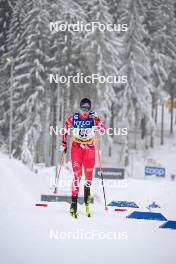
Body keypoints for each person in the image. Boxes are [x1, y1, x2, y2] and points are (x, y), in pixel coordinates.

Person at [61, 98, 105, 218]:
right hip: (76, 149)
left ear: (89, 109)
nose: (85, 111)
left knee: (88, 178)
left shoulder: (93, 119)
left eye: (87, 108)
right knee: (77, 175)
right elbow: (65, 128)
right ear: (80, 108)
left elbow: (102, 131)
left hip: (89, 150)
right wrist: (64, 143)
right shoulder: (74, 118)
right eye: (83, 108)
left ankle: (86, 204)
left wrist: (98, 120)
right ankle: (73, 204)